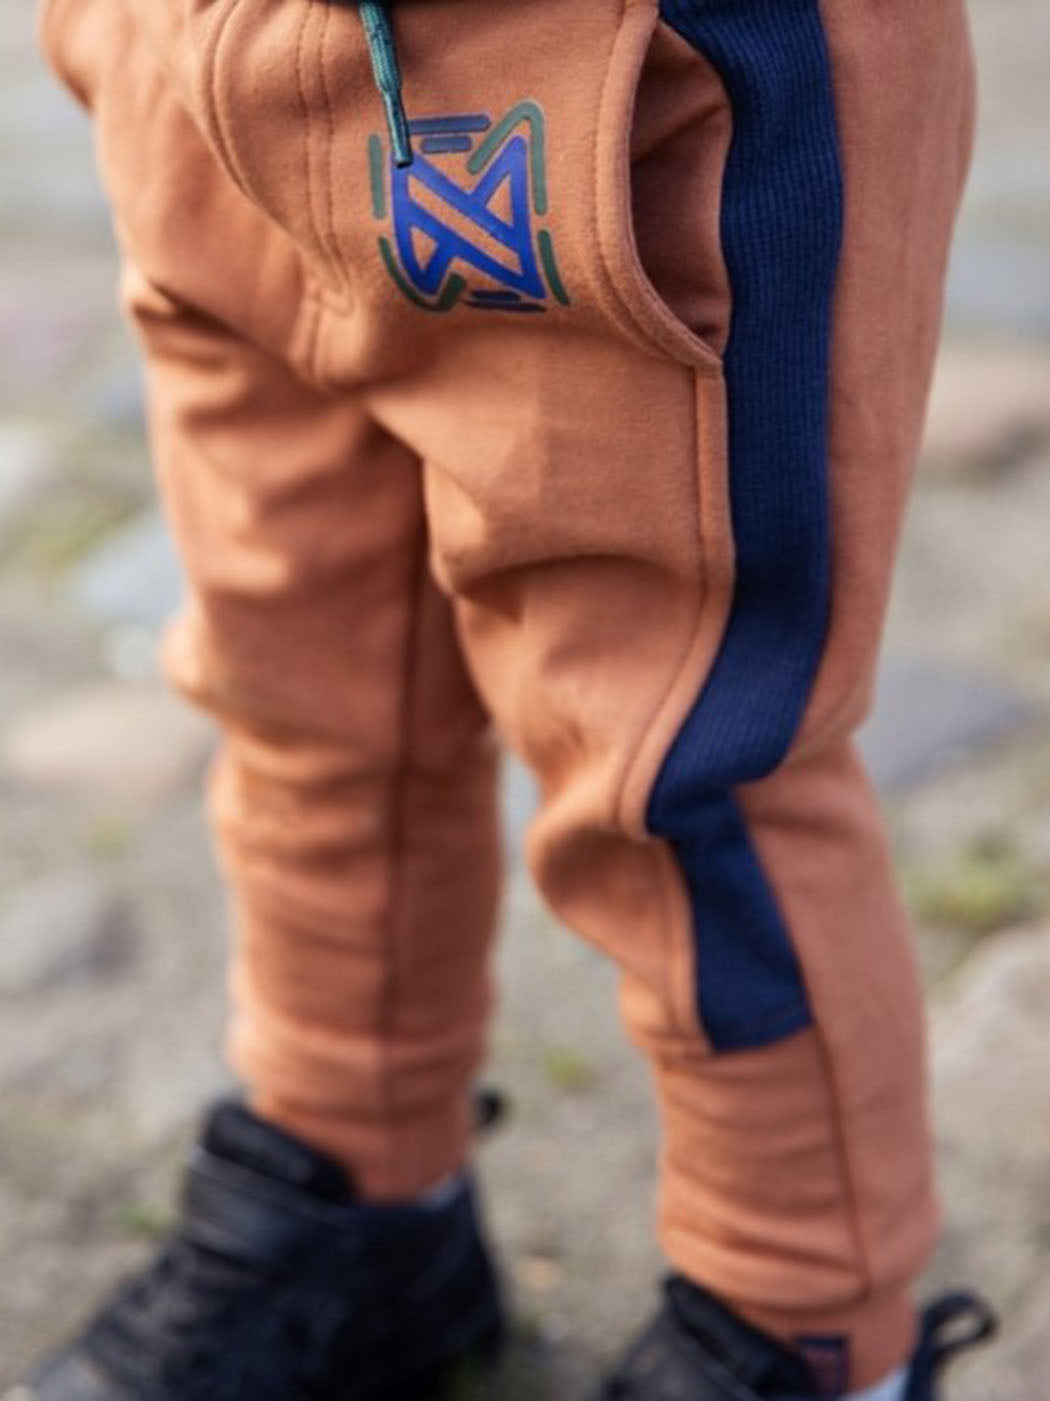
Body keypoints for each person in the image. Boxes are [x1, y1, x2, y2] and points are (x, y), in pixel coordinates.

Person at [13, 0, 993, 1398]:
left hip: (615, 69)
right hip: (189, 55)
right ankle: (358, 1202)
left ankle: (799, 1325)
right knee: (303, 687)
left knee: (686, 765)